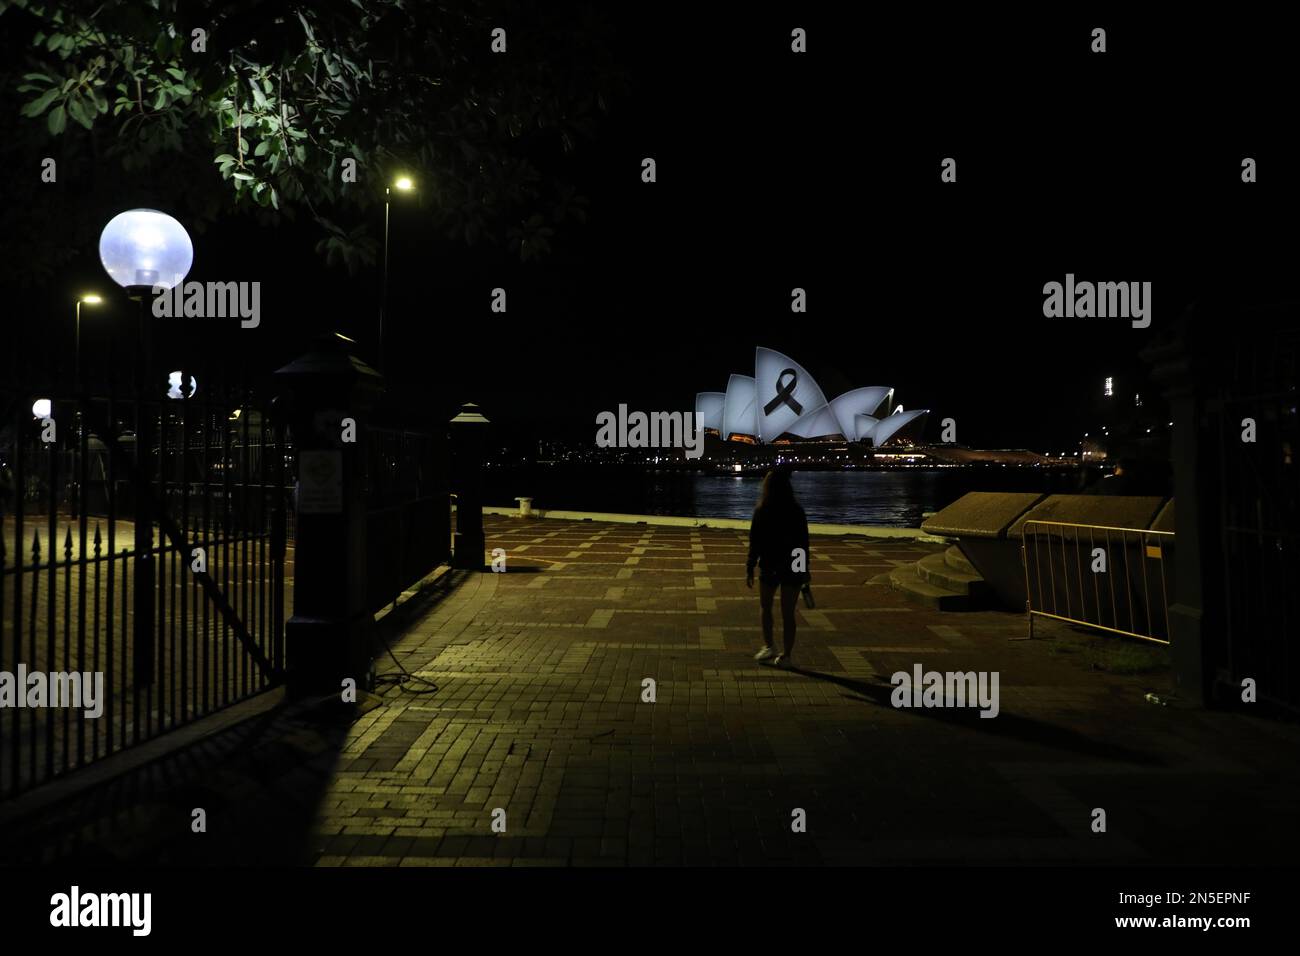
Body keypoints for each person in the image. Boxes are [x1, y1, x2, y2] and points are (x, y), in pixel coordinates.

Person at [746, 468, 810, 668]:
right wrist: (803, 570)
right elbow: (802, 543)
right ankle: (786, 655)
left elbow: (754, 542)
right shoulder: (796, 511)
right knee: (788, 613)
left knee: (766, 607)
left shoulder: (762, 510)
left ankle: (769, 646)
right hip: (792, 566)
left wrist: (750, 566)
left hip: (769, 565)